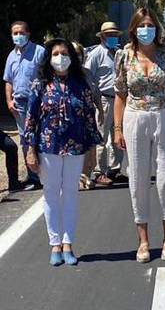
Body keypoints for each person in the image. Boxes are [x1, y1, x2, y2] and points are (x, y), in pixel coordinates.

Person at [113, 8, 165, 263]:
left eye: (150, 25)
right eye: (142, 25)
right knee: (138, 179)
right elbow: (120, 94)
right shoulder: (124, 56)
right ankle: (143, 241)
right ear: (134, 29)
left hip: (163, 115)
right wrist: (117, 127)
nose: (146, 29)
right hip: (135, 117)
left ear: (157, 28)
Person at [24, 39, 102, 266]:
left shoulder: (81, 85)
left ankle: (68, 243)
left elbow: (89, 119)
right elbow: (31, 120)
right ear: (49, 58)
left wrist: (91, 151)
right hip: (48, 147)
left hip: (76, 146)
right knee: (50, 193)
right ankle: (54, 243)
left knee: (70, 194)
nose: (60, 58)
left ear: (72, 57)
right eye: (56, 54)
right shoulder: (40, 85)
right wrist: (29, 150)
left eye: (64, 53)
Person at [3, 20, 45, 190]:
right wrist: (8, 100)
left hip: (38, 101)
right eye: (15, 33)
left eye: (21, 33)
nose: (18, 36)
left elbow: (47, 75)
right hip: (19, 103)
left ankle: (46, 173)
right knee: (25, 138)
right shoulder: (11, 56)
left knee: (41, 135)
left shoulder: (39, 52)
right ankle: (33, 176)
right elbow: (8, 81)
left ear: (28, 34)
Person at [84, 22, 126, 187]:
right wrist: (95, 100)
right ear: (102, 36)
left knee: (119, 135)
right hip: (104, 99)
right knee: (101, 137)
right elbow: (88, 77)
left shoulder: (119, 53)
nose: (112, 38)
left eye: (114, 35)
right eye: (109, 35)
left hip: (120, 99)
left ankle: (115, 169)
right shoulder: (95, 55)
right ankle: (98, 172)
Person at [73, 42, 104, 191]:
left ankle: (85, 176)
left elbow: (95, 92)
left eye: (79, 54)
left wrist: (101, 110)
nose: (76, 57)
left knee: (89, 149)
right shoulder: (61, 74)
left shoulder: (87, 73)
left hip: (87, 116)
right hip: (70, 118)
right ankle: (76, 178)